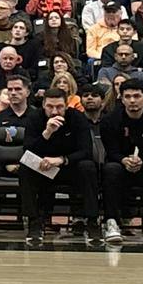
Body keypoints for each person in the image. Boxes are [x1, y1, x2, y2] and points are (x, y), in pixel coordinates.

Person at [97, 76, 143, 244]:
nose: (132, 101)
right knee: (110, 169)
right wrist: (124, 160)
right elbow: (111, 151)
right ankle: (112, 222)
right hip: (120, 165)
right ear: (121, 98)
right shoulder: (109, 121)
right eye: (128, 96)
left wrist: (141, 162)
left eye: (137, 96)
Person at [21, 88, 99, 243]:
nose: (55, 111)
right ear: (43, 105)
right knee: (25, 168)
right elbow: (28, 150)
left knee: (88, 166)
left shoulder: (77, 118)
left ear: (66, 105)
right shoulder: (34, 118)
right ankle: (34, 222)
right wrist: (47, 133)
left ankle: (92, 222)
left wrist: (62, 160)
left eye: (59, 107)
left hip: (70, 167)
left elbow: (86, 151)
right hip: (44, 168)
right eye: (50, 106)